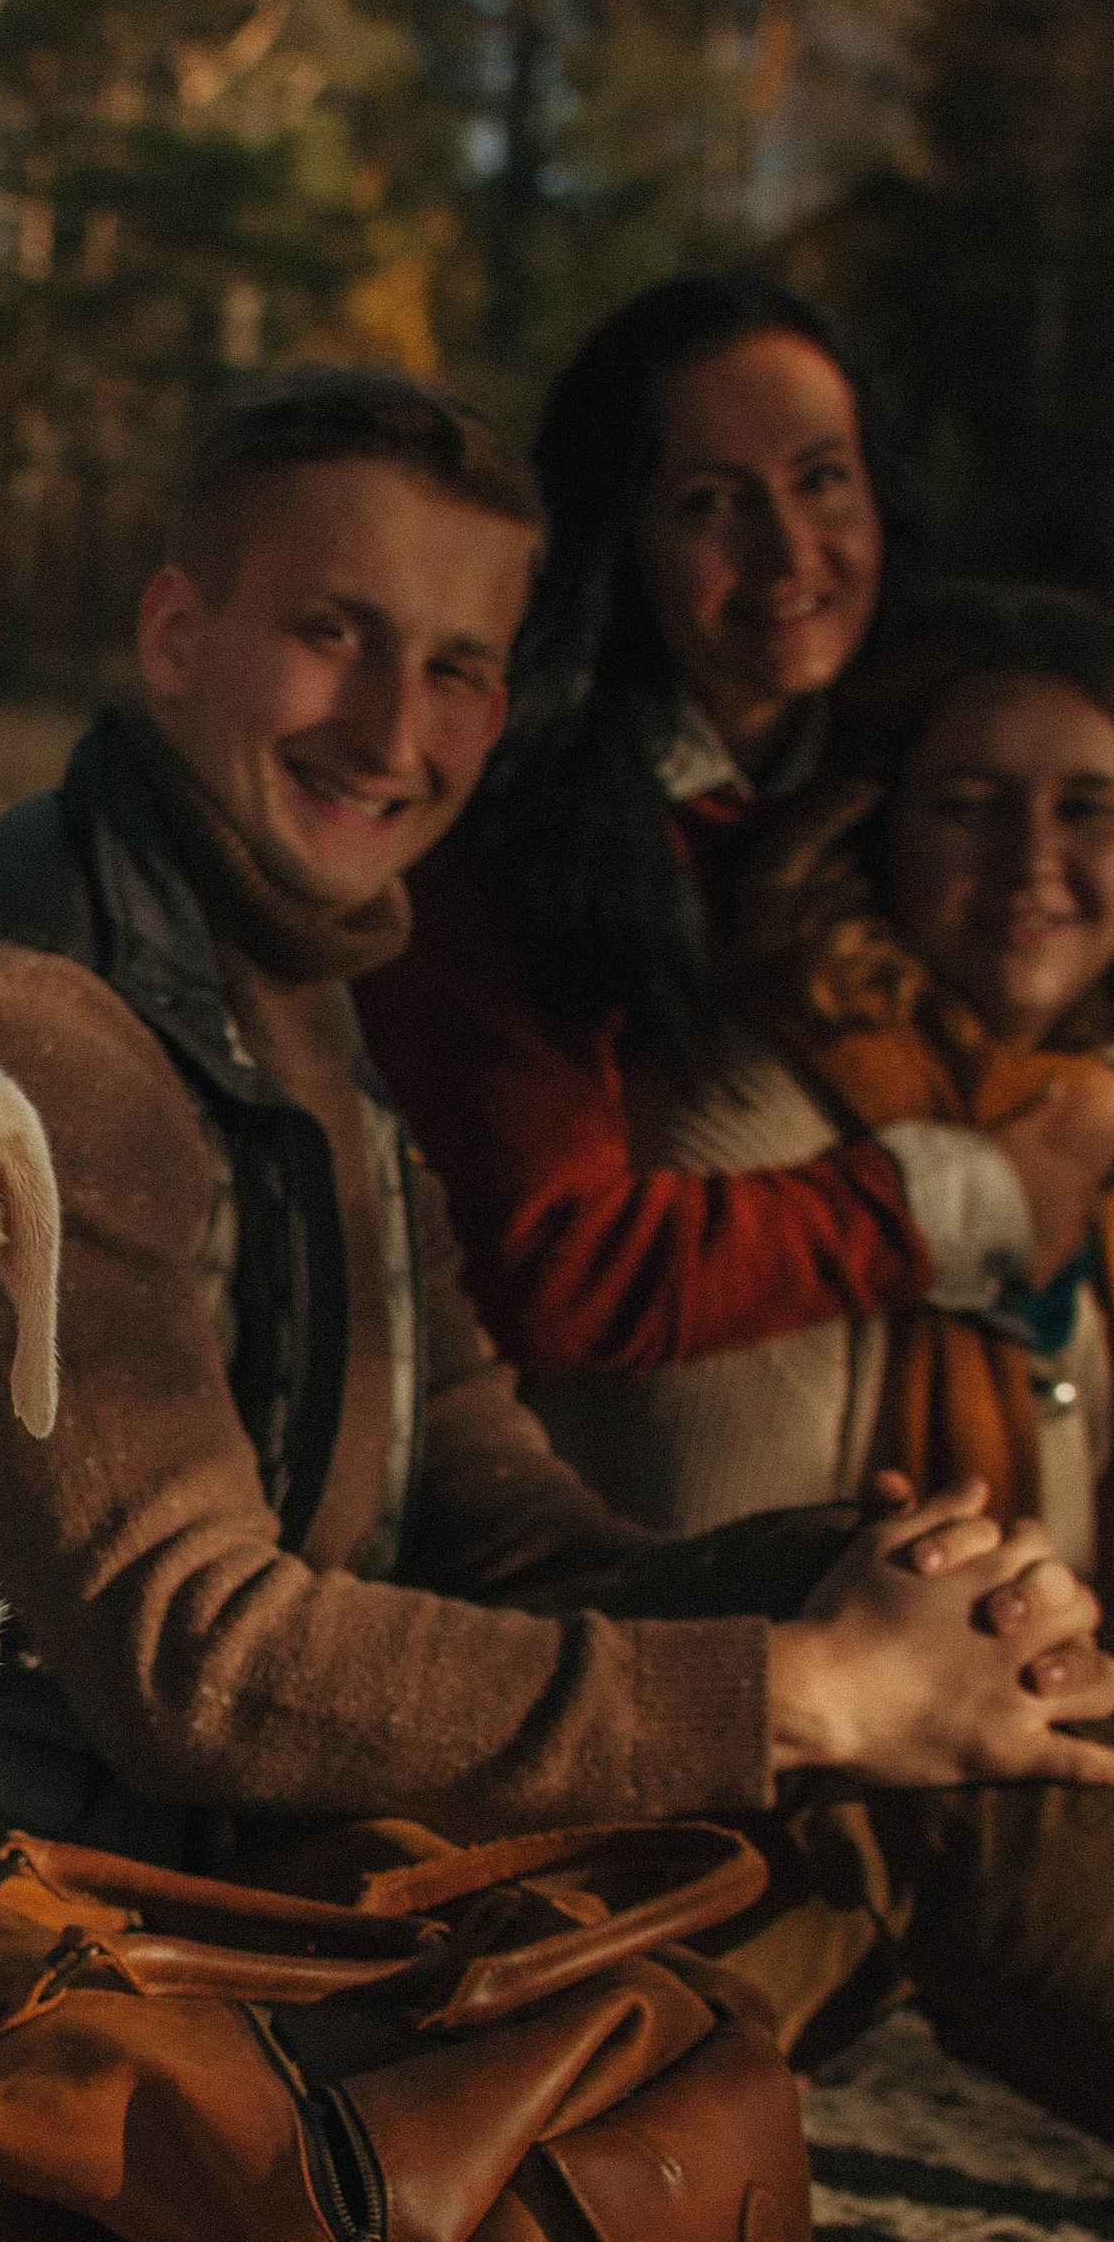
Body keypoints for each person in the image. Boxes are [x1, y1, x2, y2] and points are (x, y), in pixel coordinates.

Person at [0, 365, 1114, 2120]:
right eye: (333, 635)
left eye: (452, 671)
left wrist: (844, 1588)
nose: (389, 728)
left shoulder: (301, 981)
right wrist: (795, 1691)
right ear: (178, 634)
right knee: (878, 1734)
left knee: (944, 1646)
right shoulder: (25, 1021)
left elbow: (491, 1508)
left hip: (199, 1876)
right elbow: (194, 1663)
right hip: (34, 1958)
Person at [357, 274, 1114, 1540]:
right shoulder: (519, 840)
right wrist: (962, 1201)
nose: (788, 555)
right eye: (713, 504)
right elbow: (547, 1270)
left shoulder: (916, 744)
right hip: (594, 1523)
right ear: (623, 535)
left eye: (823, 480)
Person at [712, 585, 1114, 1576]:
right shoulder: (765, 1114)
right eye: (969, 808)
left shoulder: (1073, 1115)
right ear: (876, 827)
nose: (1031, 862)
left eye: (1087, 810)